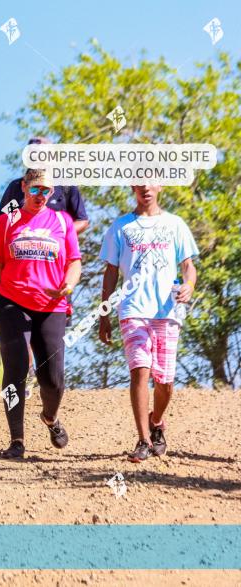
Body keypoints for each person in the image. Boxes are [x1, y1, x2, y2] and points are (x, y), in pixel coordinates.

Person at [0, 168, 81, 459]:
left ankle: (50, 418)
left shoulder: (62, 221)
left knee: (53, 380)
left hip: (51, 307)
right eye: (35, 189)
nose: (41, 196)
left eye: (46, 191)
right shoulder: (6, 223)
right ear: (23, 188)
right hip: (11, 303)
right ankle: (16, 440)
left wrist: (68, 284)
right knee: (16, 369)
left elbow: (74, 262)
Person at [98, 185, 198, 462]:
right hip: (133, 308)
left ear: (160, 185)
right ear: (133, 187)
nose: (145, 187)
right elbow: (111, 272)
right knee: (140, 371)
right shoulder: (121, 227)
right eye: (140, 181)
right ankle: (143, 439)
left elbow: (188, 264)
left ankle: (156, 422)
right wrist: (104, 314)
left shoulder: (175, 224)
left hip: (167, 311)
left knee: (164, 382)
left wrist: (188, 284)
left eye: (151, 180)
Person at [0, 136, 90, 395]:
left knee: (51, 320)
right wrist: (28, 231)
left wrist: (59, 233)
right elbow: (3, 221)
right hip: (21, 258)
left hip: (55, 260)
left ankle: (50, 377)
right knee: (18, 314)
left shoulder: (66, 186)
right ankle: (24, 371)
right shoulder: (17, 187)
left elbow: (82, 219)